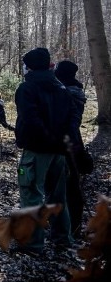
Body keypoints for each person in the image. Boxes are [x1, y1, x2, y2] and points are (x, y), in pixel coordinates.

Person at [15, 47, 82, 255]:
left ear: (29, 66)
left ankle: (33, 244)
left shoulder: (27, 88)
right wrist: (64, 139)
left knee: (32, 194)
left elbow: (30, 118)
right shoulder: (61, 87)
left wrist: (48, 138)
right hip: (58, 151)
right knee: (58, 196)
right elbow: (73, 117)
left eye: (26, 65)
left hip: (37, 150)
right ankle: (63, 238)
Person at [55, 60, 88, 237]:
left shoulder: (68, 93)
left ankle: (72, 228)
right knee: (71, 185)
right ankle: (71, 226)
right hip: (73, 141)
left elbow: (70, 123)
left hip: (69, 142)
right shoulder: (75, 91)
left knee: (70, 187)